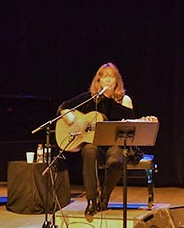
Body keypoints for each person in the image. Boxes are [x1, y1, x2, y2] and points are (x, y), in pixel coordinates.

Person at [58, 62, 135, 217]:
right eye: (104, 77)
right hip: (96, 144)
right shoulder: (90, 98)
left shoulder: (124, 100)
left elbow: (131, 128)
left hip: (116, 144)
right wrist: (72, 120)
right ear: (98, 81)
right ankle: (91, 200)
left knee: (115, 160)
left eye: (111, 77)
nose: (107, 80)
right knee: (89, 150)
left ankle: (104, 198)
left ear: (116, 81)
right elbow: (64, 107)